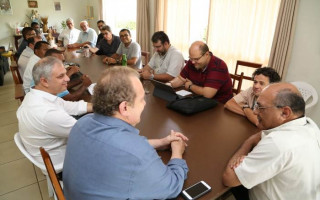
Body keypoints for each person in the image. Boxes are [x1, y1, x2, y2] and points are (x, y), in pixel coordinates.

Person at [63, 66, 189, 199]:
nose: (145, 104)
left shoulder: (82, 123)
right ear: (124, 107)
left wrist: (161, 142)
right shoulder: (136, 153)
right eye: (141, 99)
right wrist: (177, 151)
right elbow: (172, 186)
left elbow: (119, 147)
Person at [222, 82, 320, 200]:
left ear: (285, 113)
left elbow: (229, 179)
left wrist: (250, 141)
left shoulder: (278, 143)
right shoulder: (310, 125)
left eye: (260, 107)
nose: (255, 112)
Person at [17, 56, 92, 172]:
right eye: (61, 76)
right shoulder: (47, 113)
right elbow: (87, 134)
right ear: (44, 81)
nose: (67, 78)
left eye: (65, 73)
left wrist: (98, 107)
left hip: (52, 152)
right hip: (63, 165)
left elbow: (69, 106)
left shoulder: (35, 95)